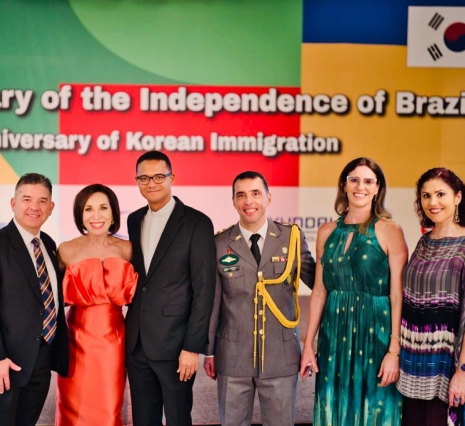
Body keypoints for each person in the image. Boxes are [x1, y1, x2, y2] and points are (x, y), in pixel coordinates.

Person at [299, 157, 408, 425]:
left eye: (368, 181)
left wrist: (394, 350)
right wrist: (308, 345)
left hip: (377, 335)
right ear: (344, 185)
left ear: (377, 188)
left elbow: (397, 296)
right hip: (334, 334)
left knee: (375, 410)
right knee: (333, 407)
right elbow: (320, 292)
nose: (361, 186)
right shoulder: (326, 231)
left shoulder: (390, 230)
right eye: (354, 179)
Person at [203, 171, 316, 426]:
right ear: (233, 201)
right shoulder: (219, 243)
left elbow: (319, 285)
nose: (248, 201)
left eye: (255, 193)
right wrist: (209, 352)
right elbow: (213, 302)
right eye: (240, 195)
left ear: (268, 197)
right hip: (232, 356)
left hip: (281, 355)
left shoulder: (291, 238)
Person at [397, 167, 465, 426]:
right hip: (413, 366)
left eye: (440, 194)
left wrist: (463, 372)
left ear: (457, 197)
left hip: (447, 367)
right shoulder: (424, 243)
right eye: (426, 195)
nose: (433, 202)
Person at [0, 173, 69, 425]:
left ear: (51, 207)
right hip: (5, 362)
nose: (34, 207)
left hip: (42, 358)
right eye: (26, 199)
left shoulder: (47, 243)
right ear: (13, 204)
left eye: (42, 201)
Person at [125, 151, 216, 426]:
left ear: (171, 178)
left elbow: (204, 289)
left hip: (176, 345)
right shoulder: (134, 219)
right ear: (137, 180)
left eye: (158, 176)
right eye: (143, 177)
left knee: (178, 418)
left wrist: (192, 347)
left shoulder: (196, 222)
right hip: (137, 342)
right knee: (143, 418)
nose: (151, 183)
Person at [54, 184, 137, 425]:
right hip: (75, 344)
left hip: (114, 342)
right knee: (74, 410)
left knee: (109, 408)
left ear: (114, 213)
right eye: (89, 209)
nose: (96, 215)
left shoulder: (128, 249)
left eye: (103, 208)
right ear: (80, 214)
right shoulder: (66, 250)